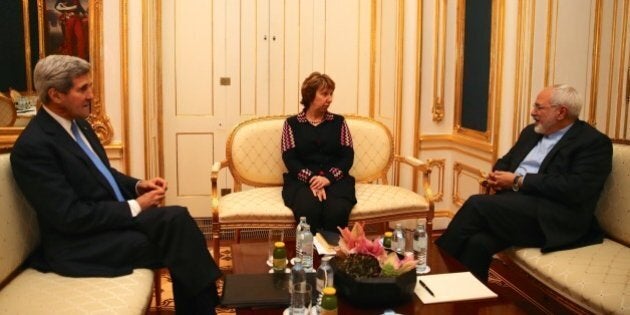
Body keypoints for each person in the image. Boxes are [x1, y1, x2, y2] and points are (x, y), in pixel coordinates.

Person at [10, 55, 221, 314]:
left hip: (106, 224)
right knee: (182, 243)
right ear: (55, 95)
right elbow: (69, 216)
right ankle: (209, 306)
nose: (92, 95)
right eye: (83, 89)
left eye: (90, 87)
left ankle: (207, 308)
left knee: (177, 219)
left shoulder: (80, 126)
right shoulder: (34, 147)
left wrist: (138, 185)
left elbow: (103, 173)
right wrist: (136, 206)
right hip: (78, 245)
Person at [435, 84, 613, 282]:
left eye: (539, 107)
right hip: (517, 208)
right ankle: (462, 299)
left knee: (477, 204)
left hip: (553, 217)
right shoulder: (531, 132)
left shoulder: (592, 143)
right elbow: (507, 160)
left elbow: (575, 188)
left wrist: (518, 181)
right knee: (478, 243)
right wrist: (497, 175)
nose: (533, 112)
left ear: (561, 112)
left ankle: (433, 271)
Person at [281, 72, 357, 233]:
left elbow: (347, 156)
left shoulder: (339, 122)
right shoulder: (291, 124)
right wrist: (312, 179)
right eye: (324, 94)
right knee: (307, 210)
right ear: (310, 96)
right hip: (302, 182)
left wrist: (327, 178)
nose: (329, 98)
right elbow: (290, 159)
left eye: (331, 94)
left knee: (336, 211)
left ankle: (333, 256)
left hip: (336, 181)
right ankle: (308, 256)